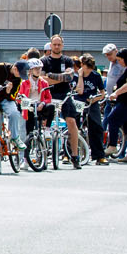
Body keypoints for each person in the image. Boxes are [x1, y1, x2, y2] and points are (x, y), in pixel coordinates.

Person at [42, 34, 81, 169]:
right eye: (54, 44)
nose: (57, 47)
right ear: (50, 45)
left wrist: (52, 76)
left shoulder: (68, 61)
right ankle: (42, 150)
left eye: (59, 44)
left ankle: (75, 155)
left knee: (71, 121)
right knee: (44, 121)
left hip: (65, 94)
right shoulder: (44, 61)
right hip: (48, 94)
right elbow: (44, 79)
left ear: (62, 46)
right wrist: (61, 77)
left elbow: (69, 77)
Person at [75, 54, 107, 165]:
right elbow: (79, 91)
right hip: (79, 102)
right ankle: (68, 153)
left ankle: (99, 155)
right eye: (86, 66)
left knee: (97, 127)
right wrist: (80, 76)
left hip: (92, 102)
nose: (88, 69)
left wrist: (95, 99)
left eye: (90, 67)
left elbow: (102, 93)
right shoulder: (76, 75)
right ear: (82, 65)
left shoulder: (96, 76)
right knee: (73, 125)